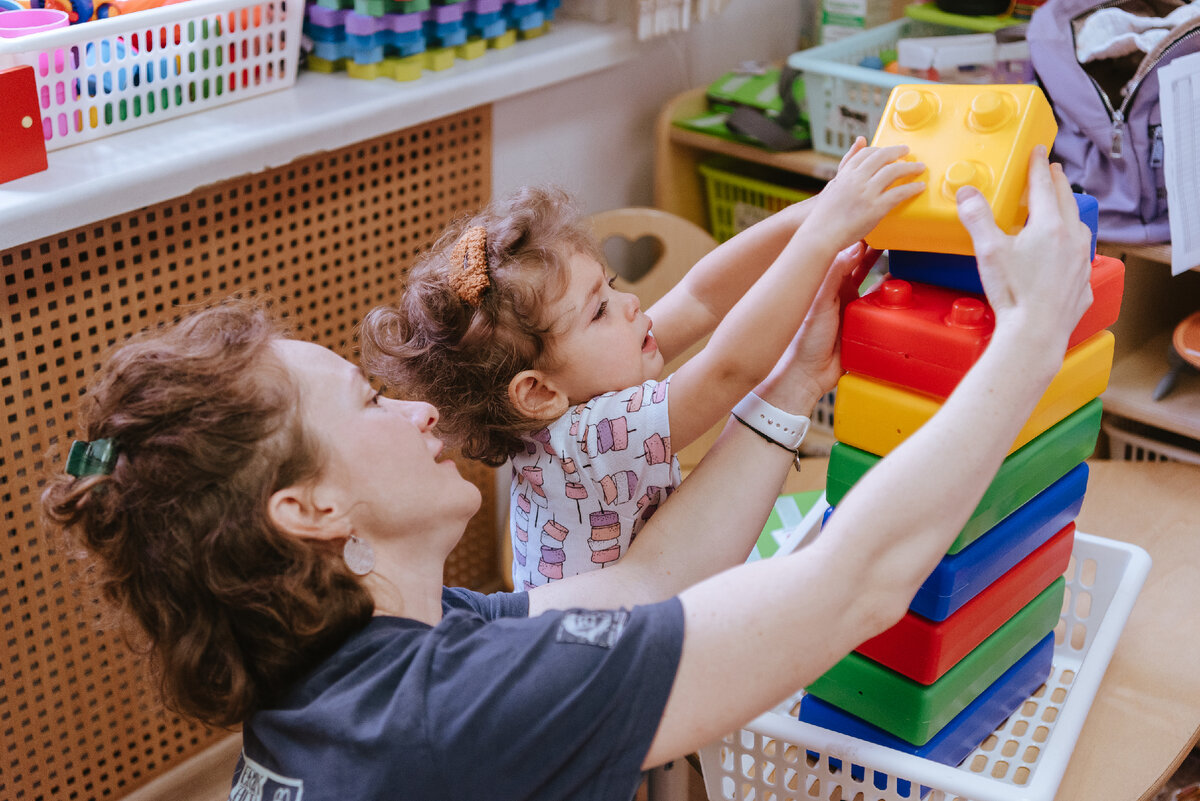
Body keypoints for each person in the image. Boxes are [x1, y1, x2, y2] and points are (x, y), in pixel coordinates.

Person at [40, 148, 1091, 801]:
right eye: (367, 405)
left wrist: (794, 381)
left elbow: (645, 580)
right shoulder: (451, 708)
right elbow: (852, 586)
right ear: (308, 509)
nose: (417, 414)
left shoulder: (370, 664)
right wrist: (1035, 331)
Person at [359, 138, 925, 590]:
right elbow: (730, 368)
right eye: (600, 310)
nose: (631, 305)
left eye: (612, 285)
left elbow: (701, 295)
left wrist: (814, 213)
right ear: (536, 392)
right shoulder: (588, 438)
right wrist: (824, 234)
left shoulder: (567, 397)